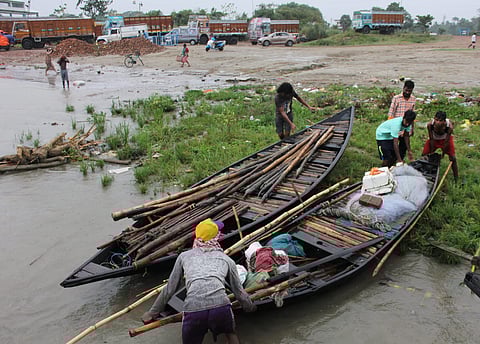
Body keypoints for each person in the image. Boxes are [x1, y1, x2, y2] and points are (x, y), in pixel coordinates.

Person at [141, 218, 256, 344]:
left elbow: (170, 289)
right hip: (221, 307)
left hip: (194, 309)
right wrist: (250, 307)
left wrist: (152, 314)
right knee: (230, 333)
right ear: (217, 237)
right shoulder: (226, 259)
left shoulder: (183, 257)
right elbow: (239, 292)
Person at [422, 111, 459, 181]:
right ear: (434, 119)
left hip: (445, 139)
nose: (438, 122)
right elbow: (431, 139)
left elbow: (446, 142)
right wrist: (432, 151)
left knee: (453, 158)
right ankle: (423, 172)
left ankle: (456, 178)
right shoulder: (430, 125)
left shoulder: (449, 127)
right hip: (434, 139)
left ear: (444, 121)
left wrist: (443, 153)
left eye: (440, 121)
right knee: (424, 155)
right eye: (436, 120)